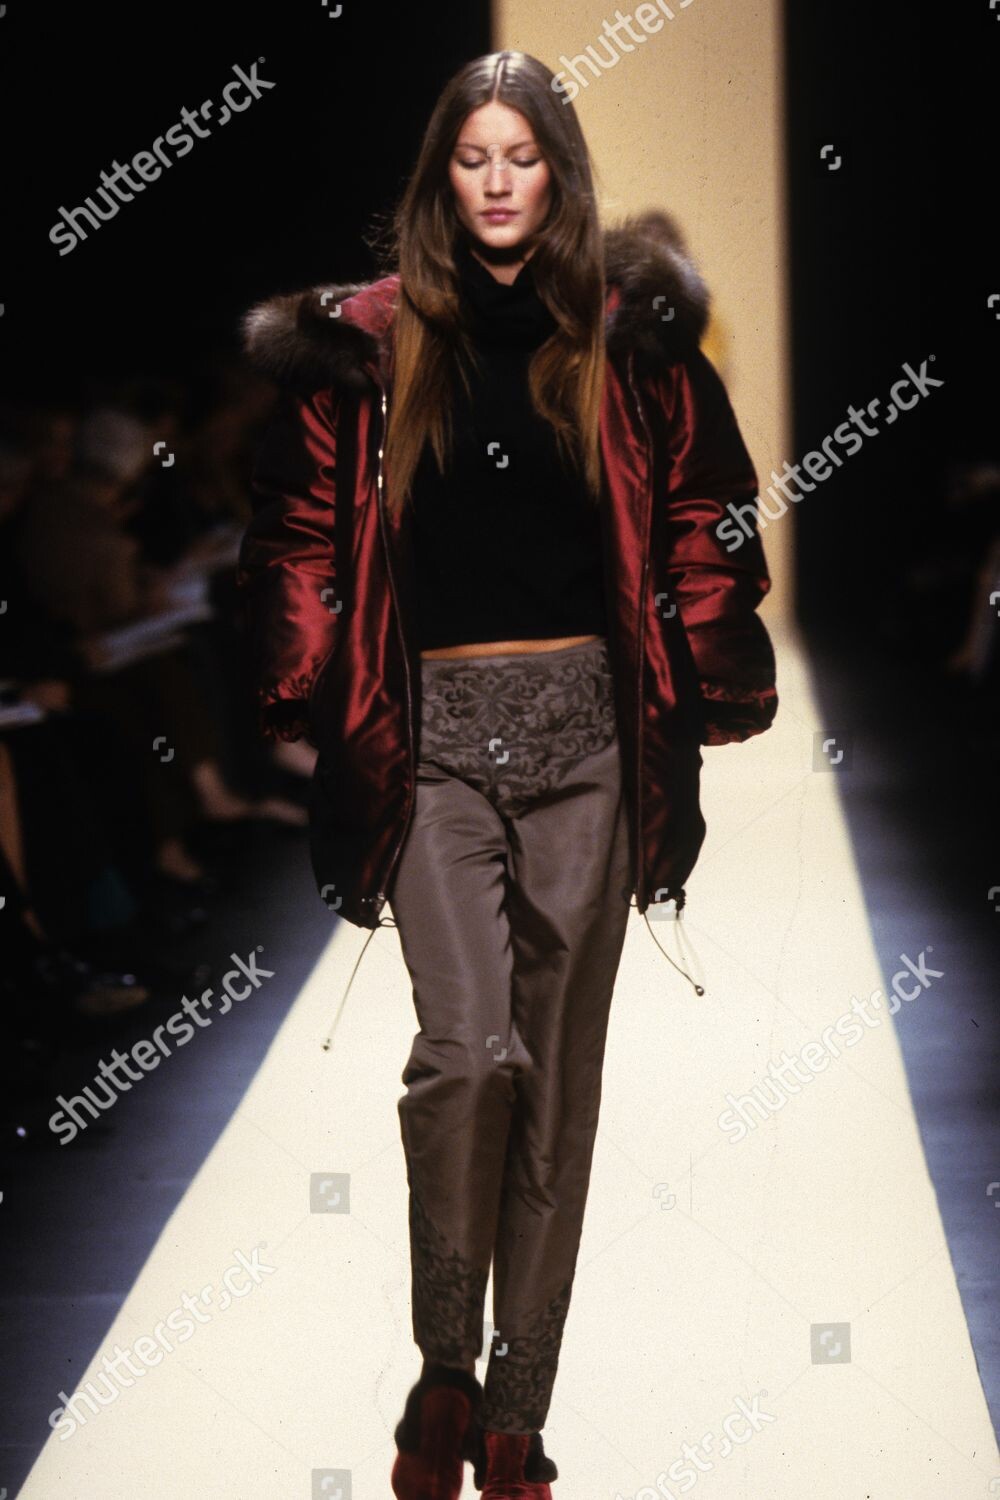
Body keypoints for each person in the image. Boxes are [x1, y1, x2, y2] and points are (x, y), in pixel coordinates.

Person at [236, 49, 778, 1500]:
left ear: (559, 172)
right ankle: (445, 1369)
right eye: (472, 157)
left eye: (521, 157)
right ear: (440, 175)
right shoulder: (364, 352)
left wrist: (714, 671)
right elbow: (297, 532)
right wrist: (303, 676)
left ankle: (517, 1416)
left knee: (557, 1094)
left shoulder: (629, 344)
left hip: (591, 747)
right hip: (433, 749)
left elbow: (705, 514)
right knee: (469, 1057)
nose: (495, 181)